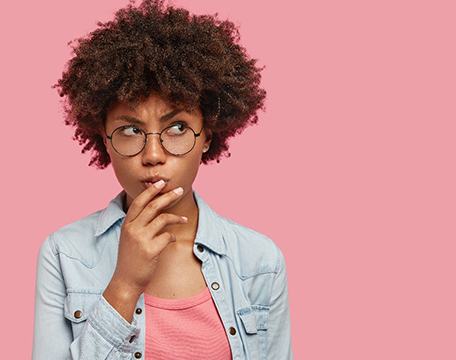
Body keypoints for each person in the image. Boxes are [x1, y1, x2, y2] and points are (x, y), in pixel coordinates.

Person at [32, 0, 293, 359]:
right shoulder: (64, 255)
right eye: (129, 130)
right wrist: (124, 285)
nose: (153, 154)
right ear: (104, 141)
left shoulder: (260, 262)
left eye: (176, 127)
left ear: (207, 137)